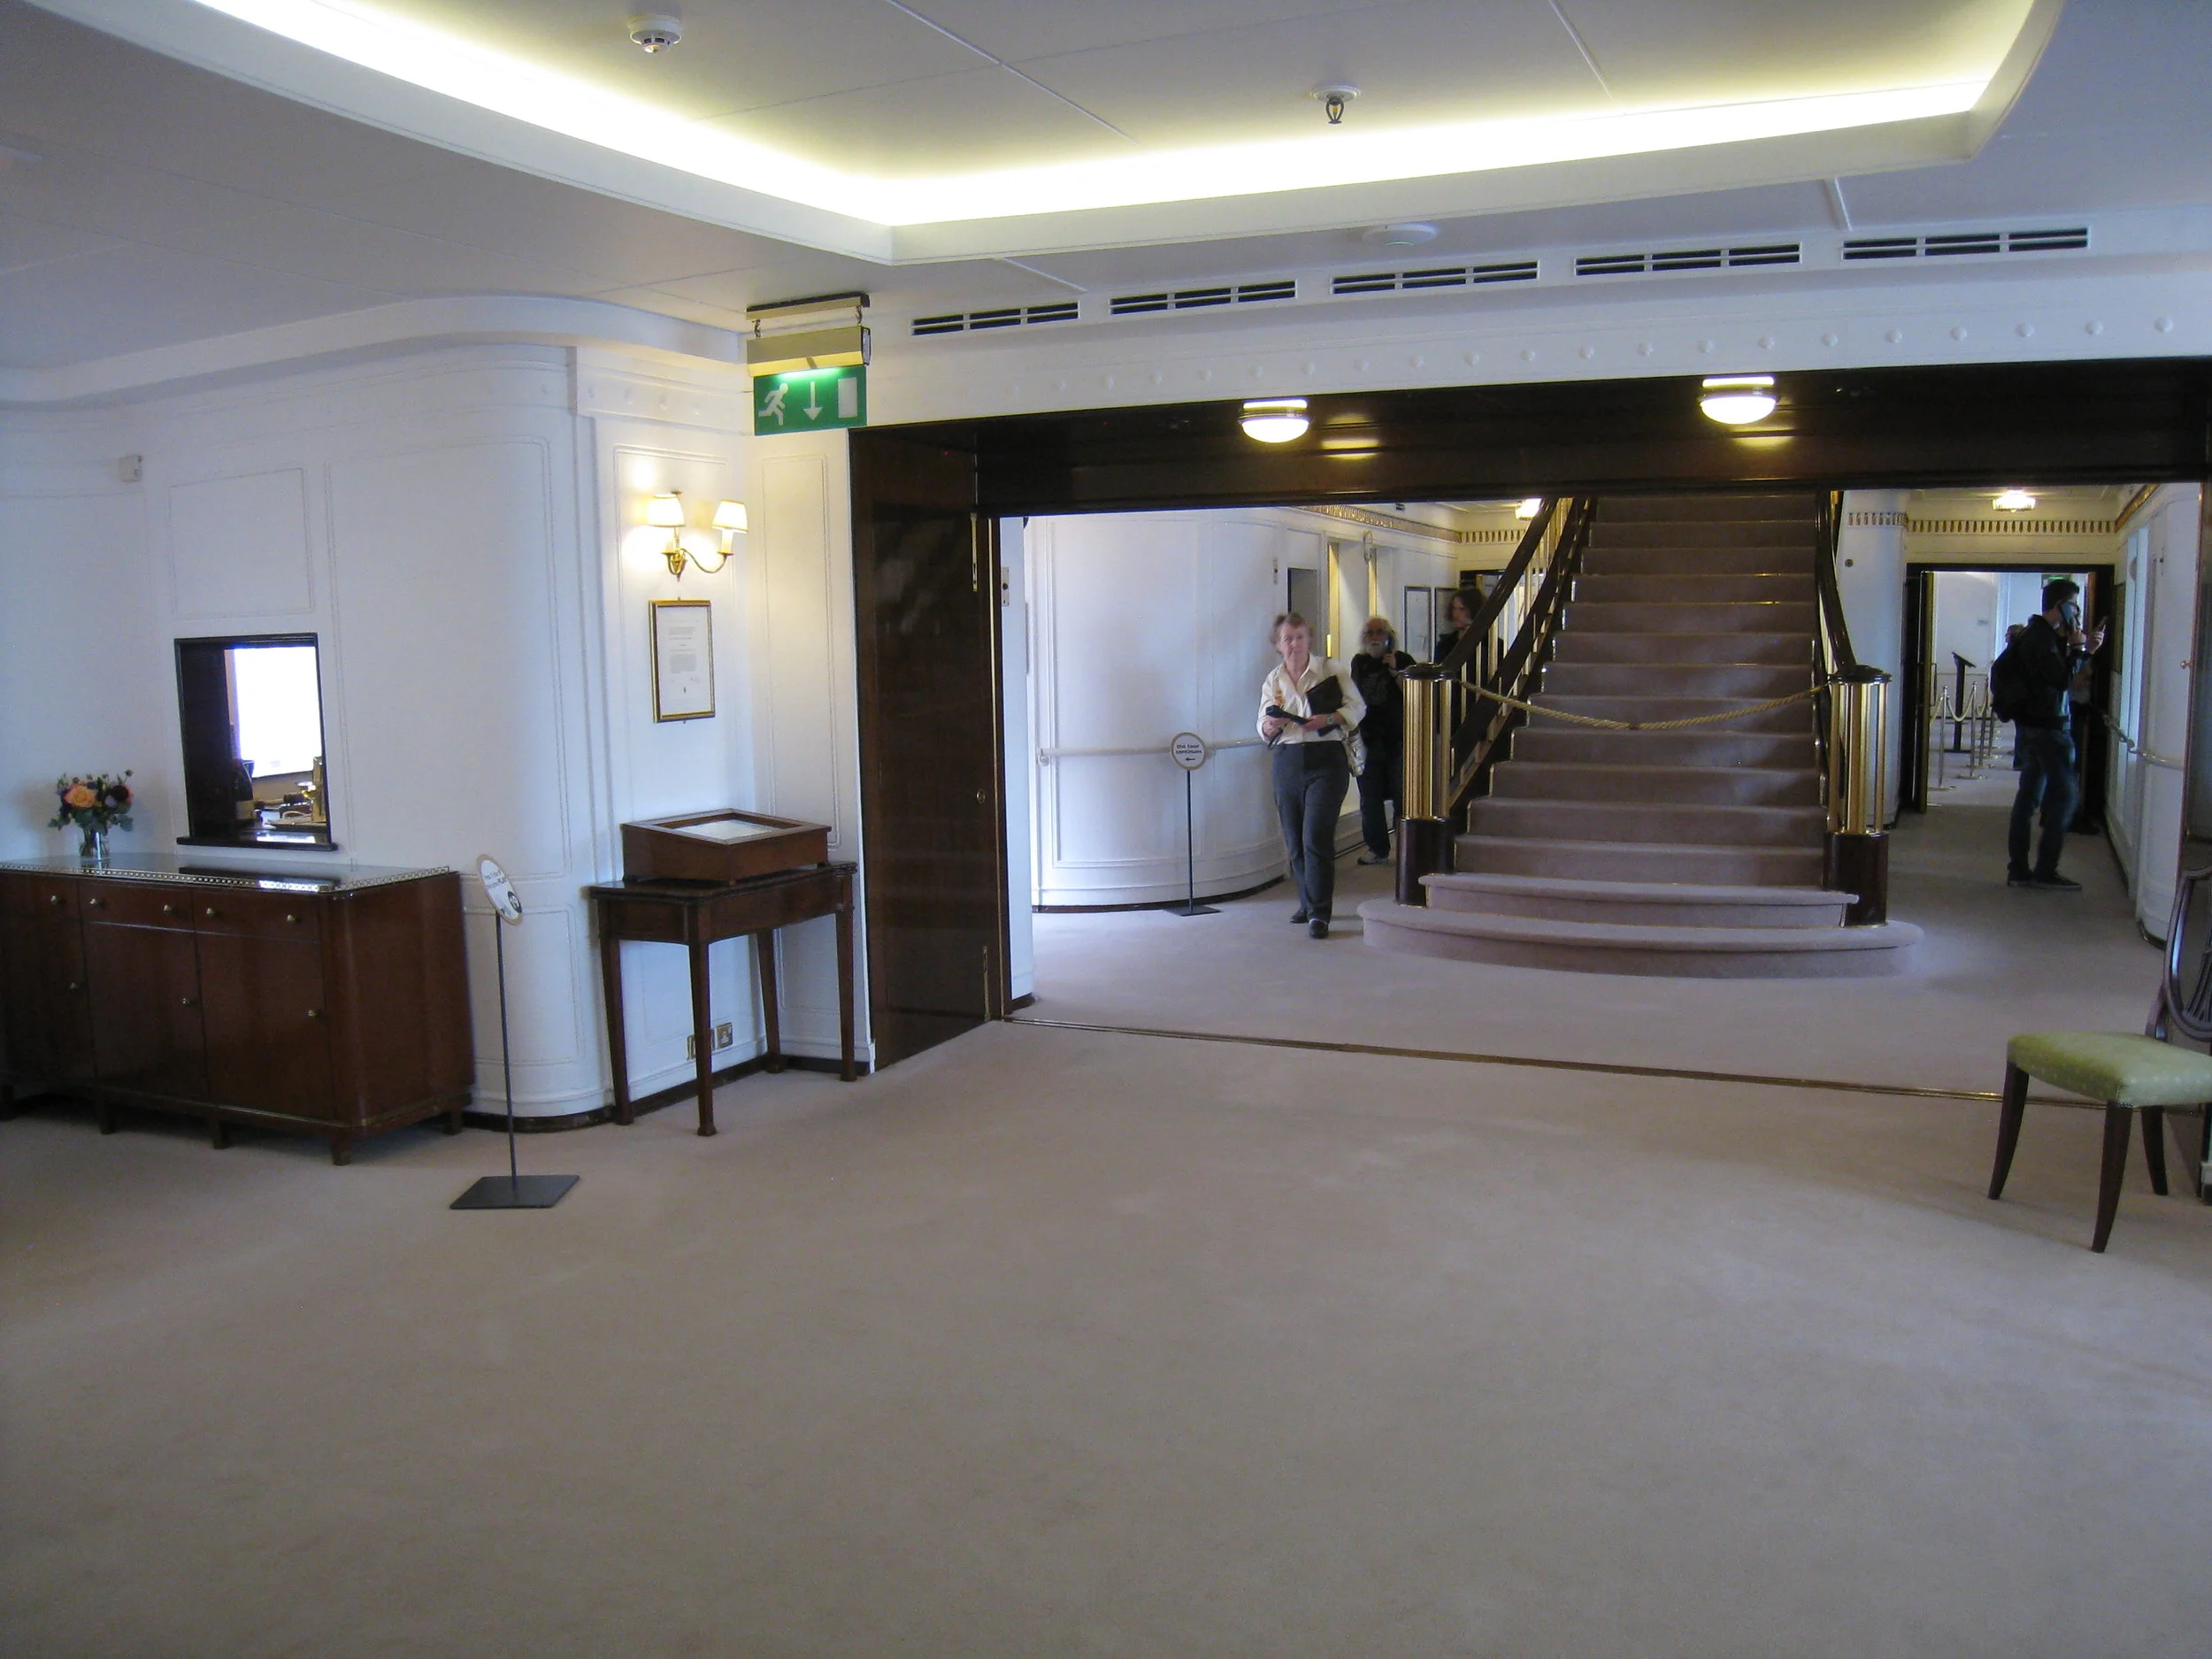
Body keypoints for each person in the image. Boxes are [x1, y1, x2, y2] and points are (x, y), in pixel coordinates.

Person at [1259, 611, 1364, 939]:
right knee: (1294, 840)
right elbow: (1261, 725)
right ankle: (1307, 901)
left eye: (1300, 637)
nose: (1294, 644)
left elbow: (1357, 707)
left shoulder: (1331, 670)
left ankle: (1320, 913)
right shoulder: (1273, 680)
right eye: (1287, 639)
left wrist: (1329, 718)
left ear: (1310, 639)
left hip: (1326, 758)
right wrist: (1270, 724)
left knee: (1315, 836)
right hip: (1287, 760)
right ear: (1278, 645)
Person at [2006, 580, 2104, 890]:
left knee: (2028, 798)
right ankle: (2044, 871)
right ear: (2061, 605)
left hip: (2034, 728)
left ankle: (2020, 870)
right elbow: (2061, 681)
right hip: (2049, 730)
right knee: (2065, 798)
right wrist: (2082, 651)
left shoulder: (2037, 636)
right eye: (2074, 605)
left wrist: (2079, 650)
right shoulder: (2041, 639)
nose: (2076, 611)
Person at [1348, 616, 1415, 864]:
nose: (1374, 637)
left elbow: (1413, 695)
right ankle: (1377, 848)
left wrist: (1395, 671)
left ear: (1389, 636)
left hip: (1397, 739)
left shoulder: (1405, 660)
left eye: (1379, 632)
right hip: (1367, 739)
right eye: (1369, 633)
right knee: (1370, 797)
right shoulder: (1360, 662)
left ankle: (1406, 848)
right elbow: (1354, 695)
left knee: (1402, 796)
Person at [1433, 588, 1481, 662]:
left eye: (1462, 609)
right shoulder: (1444, 645)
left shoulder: (1492, 645)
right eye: (1454, 608)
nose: (1456, 614)